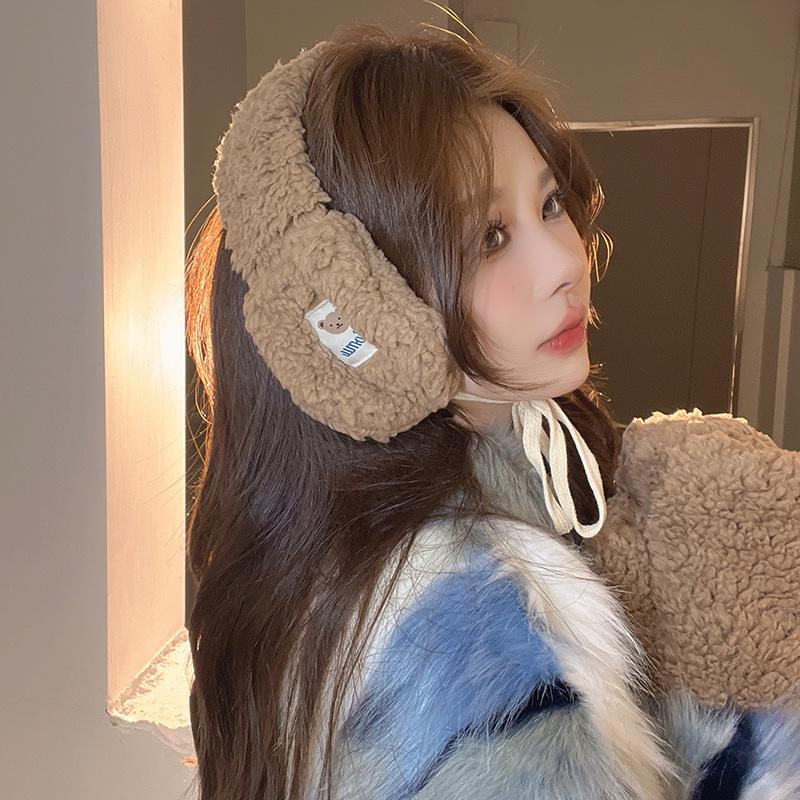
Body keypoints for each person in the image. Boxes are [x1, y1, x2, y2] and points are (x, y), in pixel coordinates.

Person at [183, 20, 800, 800]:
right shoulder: (458, 635)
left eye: (550, 204)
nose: (565, 261)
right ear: (358, 322)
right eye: (490, 237)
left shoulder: (475, 505)